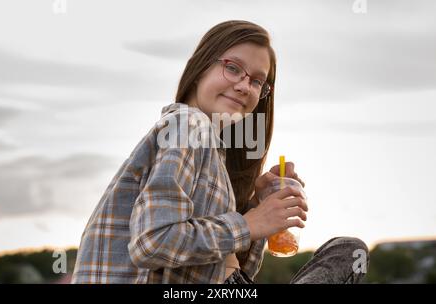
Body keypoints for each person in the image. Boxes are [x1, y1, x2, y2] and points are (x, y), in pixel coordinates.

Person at [72, 20, 369, 284]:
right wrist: (250, 223)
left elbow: (235, 272)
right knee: (350, 252)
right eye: (233, 68)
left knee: (347, 250)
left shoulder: (210, 148)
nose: (244, 86)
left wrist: (256, 208)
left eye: (256, 81)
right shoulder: (189, 124)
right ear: (200, 67)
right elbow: (152, 242)